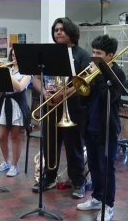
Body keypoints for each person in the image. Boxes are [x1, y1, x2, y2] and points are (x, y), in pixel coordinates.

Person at [31, 17, 89, 199]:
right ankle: (49, 178)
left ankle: (78, 181)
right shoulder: (49, 53)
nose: (58, 32)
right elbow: (36, 79)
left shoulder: (81, 55)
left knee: (74, 146)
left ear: (71, 31)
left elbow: (85, 81)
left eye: (62, 29)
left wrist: (63, 94)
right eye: (56, 30)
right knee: (50, 145)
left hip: (73, 108)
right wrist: (46, 94)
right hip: (51, 105)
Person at [76, 35, 125, 221]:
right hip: (90, 125)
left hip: (107, 128)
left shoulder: (117, 74)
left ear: (110, 55)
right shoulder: (92, 71)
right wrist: (85, 86)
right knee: (94, 165)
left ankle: (108, 205)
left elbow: (108, 98)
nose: (93, 57)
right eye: (93, 52)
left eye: (99, 53)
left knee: (107, 167)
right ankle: (97, 197)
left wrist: (98, 77)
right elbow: (84, 98)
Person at [0, 48, 32, 177]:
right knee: (2, 136)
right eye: (13, 55)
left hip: (18, 105)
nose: (15, 57)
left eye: (17, 55)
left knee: (15, 136)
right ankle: (6, 162)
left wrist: (6, 74)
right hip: (6, 103)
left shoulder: (27, 72)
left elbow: (20, 87)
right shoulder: (9, 69)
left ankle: (15, 166)